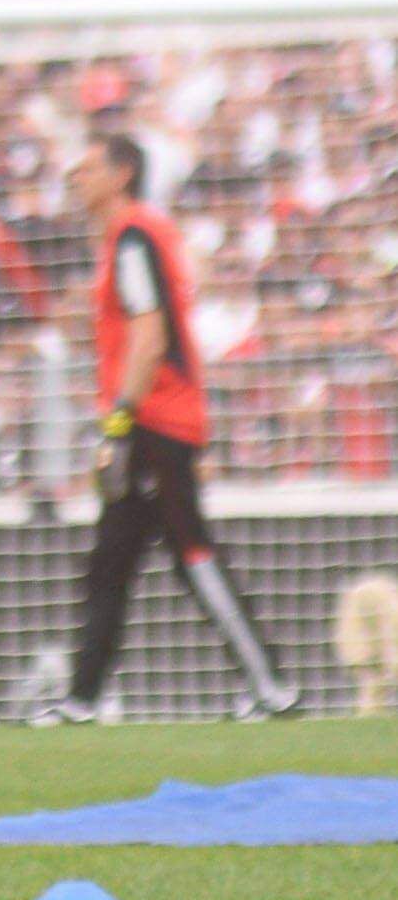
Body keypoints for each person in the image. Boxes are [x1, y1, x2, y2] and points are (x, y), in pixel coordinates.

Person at [37, 136, 298, 725]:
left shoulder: (133, 236)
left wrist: (119, 420)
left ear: (122, 173)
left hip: (155, 422)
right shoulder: (130, 238)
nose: (74, 178)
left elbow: (150, 334)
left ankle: (272, 687)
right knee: (111, 561)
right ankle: (84, 698)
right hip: (151, 420)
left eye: (87, 166)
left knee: (193, 553)